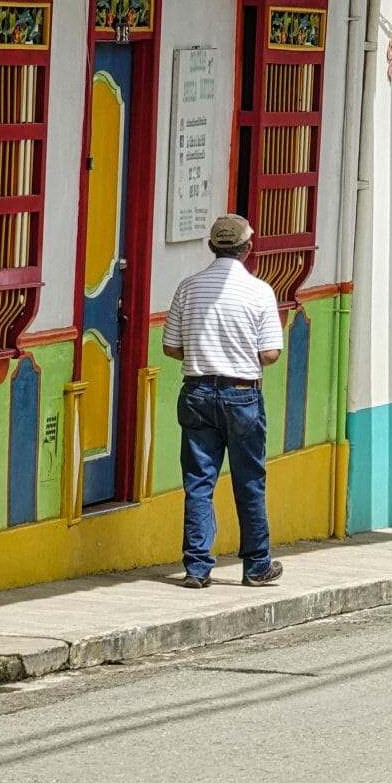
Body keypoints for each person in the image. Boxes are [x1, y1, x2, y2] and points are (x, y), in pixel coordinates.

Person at [164, 213, 286, 588]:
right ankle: (256, 565)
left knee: (199, 482)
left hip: (197, 392)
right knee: (249, 481)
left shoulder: (189, 287)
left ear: (211, 246)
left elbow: (171, 347)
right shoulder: (260, 291)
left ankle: (197, 569)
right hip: (242, 395)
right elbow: (270, 354)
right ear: (248, 248)